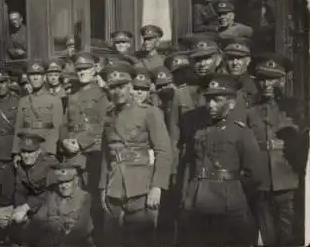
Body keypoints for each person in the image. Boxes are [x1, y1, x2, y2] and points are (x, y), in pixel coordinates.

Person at [179, 74, 262, 246]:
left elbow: (254, 175)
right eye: (208, 99)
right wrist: (187, 197)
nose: (211, 105)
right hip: (197, 201)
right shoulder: (200, 131)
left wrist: (235, 192)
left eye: (217, 100)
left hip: (228, 202)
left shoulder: (241, 133)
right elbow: (190, 165)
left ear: (231, 103)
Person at [99, 62, 172, 247]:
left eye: (122, 86)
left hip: (141, 188)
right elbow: (106, 155)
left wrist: (157, 186)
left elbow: (164, 151)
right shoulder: (108, 117)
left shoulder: (149, 113)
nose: (118, 92)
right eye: (113, 87)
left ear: (131, 86)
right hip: (114, 188)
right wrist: (102, 188)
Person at [246, 53, 302, 246]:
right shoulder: (250, 111)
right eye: (262, 79)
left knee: (290, 234)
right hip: (261, 179)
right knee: (267, 233)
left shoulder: (295, 109)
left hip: (287, 177)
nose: (267, 84)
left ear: (282, 80)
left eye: (273, 79)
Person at [61, 52, 109, 245]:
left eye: (86, 69)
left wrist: (80, 142)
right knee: (75, 198)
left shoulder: (102, 94)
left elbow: (103, 124)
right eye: (79, 70)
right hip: (73, 153)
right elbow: (64, 124)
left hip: (92, 152)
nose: (82, 73)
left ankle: (97, 238)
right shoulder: (72, 96)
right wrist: (64, 140)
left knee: (94, 198)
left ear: (95, 69)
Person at [0, 133, 58, 245]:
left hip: (47, 205)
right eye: (23, 151)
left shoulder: (50, 164)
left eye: (30, 152)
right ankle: (17, 238)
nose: (26, 155)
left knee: (38, 221)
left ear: (38, 151)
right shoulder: (20, 165)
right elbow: (20, 190)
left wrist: (27, 207)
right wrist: (19, 208)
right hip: (28, 205)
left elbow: (51, 192)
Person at [11, 60, 64, 161]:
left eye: (38, 75)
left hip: (44, 149)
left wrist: (49, 151)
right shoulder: (23, 101)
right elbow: (18, 128)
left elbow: (57, 128)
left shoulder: (54, 100)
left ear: (44, 78)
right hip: (26, 149)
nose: (35, 78)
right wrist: (16, 152)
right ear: (28, 78)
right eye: (32, 75)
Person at [32, 162, 94, 247]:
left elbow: (82, 229)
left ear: (76, 180)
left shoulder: (84, 197)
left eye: (68, 181)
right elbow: (38, 219)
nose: (64, 186)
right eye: (60, 182)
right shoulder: (51, 195)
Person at [222, 37, 258, 108]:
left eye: (239, 58)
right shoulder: (220, 85)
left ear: (248, 61)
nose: (235, 63)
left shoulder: (256, 86)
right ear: (225, 61)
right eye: (231, 58)